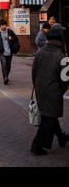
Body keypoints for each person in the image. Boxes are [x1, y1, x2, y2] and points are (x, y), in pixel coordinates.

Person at [31, 27, 69, 155]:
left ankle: (62, 137)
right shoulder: (62, 55)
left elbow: (33, 72)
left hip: (40, 89)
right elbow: (65, 80)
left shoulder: (40, 52)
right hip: (54, 92)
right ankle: (36, 146)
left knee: (49, 116)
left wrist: (37, 85)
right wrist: (61, 90)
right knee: (49, 119)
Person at [0, 19, 20, 85]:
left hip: (10, 52)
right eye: (2, 25)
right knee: (4, 65)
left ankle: (6, 75)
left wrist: (12, 38)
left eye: (4, 25)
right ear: (0, 26)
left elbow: (16, 38)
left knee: (8, 66)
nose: (3, 26)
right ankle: (5, 78)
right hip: (2, 52)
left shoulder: (10, 32)